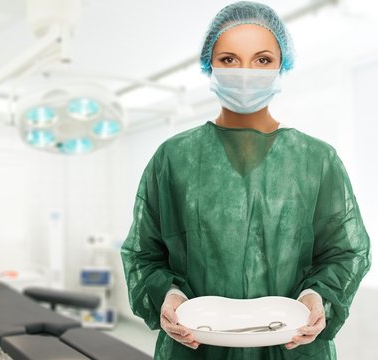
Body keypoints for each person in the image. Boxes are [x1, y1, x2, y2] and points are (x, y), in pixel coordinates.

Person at [120, 1, 371, 359]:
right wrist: (168, 296)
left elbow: (346, 251)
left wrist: (318, 296)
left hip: (292, 346)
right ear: (210, 64)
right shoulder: (173, 158)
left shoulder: (317, 159)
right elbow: (144, 254)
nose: (245, 72)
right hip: (195, 347)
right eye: (229, 59)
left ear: (282, 64)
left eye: (262, 60)